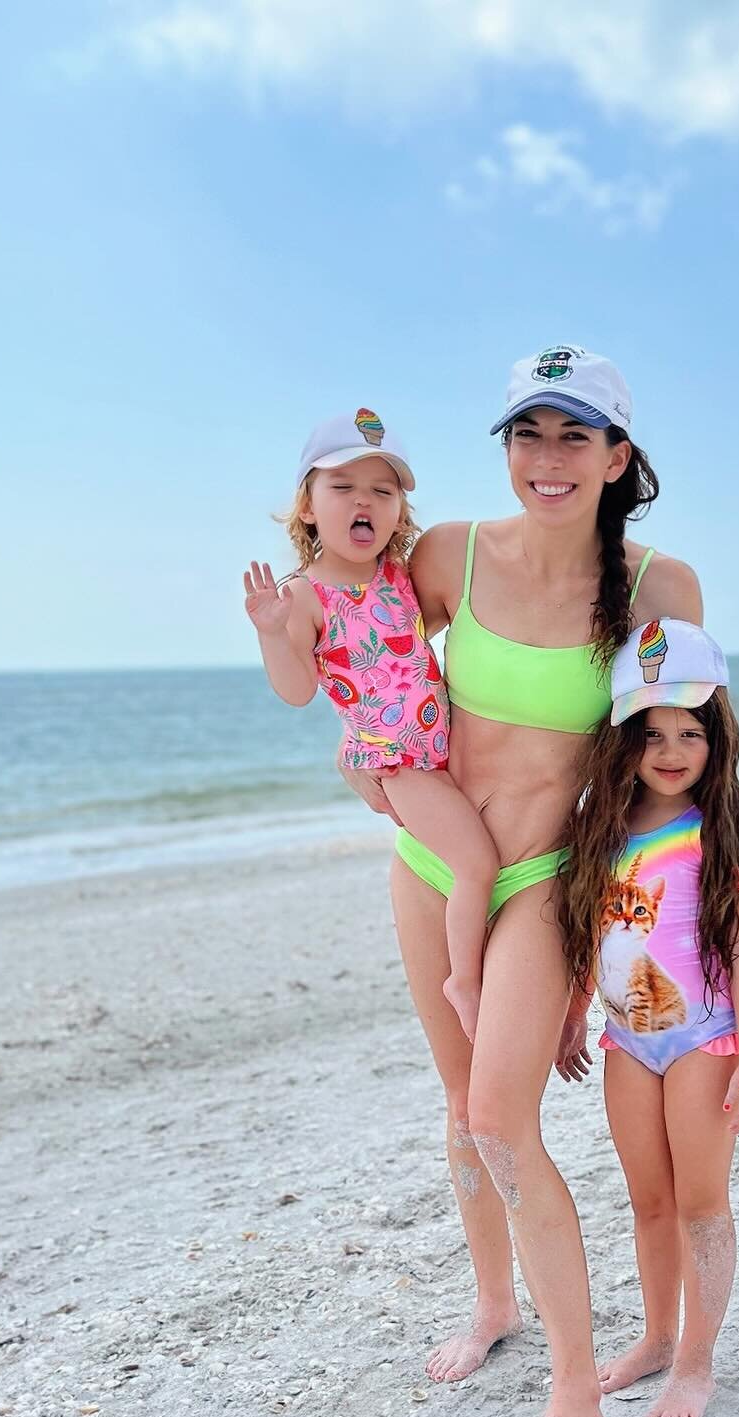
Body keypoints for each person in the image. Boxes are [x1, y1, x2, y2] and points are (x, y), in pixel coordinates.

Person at [336, 346, 739, 1417]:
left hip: (545, 875)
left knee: (500, 1116)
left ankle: (575, 1399)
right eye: (527, 434)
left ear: (617, 457)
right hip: (432, 864)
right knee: (459, 1108)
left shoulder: (655, 587)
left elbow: (690, 733)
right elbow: (366, 662)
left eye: (574, 436)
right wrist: (366, 768)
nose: (547, 458)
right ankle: (496, 1300)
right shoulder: (446, 556)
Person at [553, 620, 739, 1417]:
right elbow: (592, 934)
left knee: (700, 1201)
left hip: (704, 1037)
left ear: (717, 735)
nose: (672, 750)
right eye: (652, 734)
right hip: (626, 1043)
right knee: (648, 1200)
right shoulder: (599, 827)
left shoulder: (726, 825)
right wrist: (575, 1014)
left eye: (690, 732)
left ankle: (696, 1362)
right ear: (624, 741)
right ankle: (654, 1335)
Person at [243, 411, 498, 1041]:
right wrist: (274, 633)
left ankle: (489, 961)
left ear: (399, 513)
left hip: (445, 747)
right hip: (398, 763)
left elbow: (408, 647)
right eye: (342, 487)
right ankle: (463, 981)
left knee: (484, 857)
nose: (364, 501)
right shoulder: (304, 595)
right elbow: (299, 690)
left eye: (382, 491)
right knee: (476, 866)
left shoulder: (397, 577)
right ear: (307, 507)